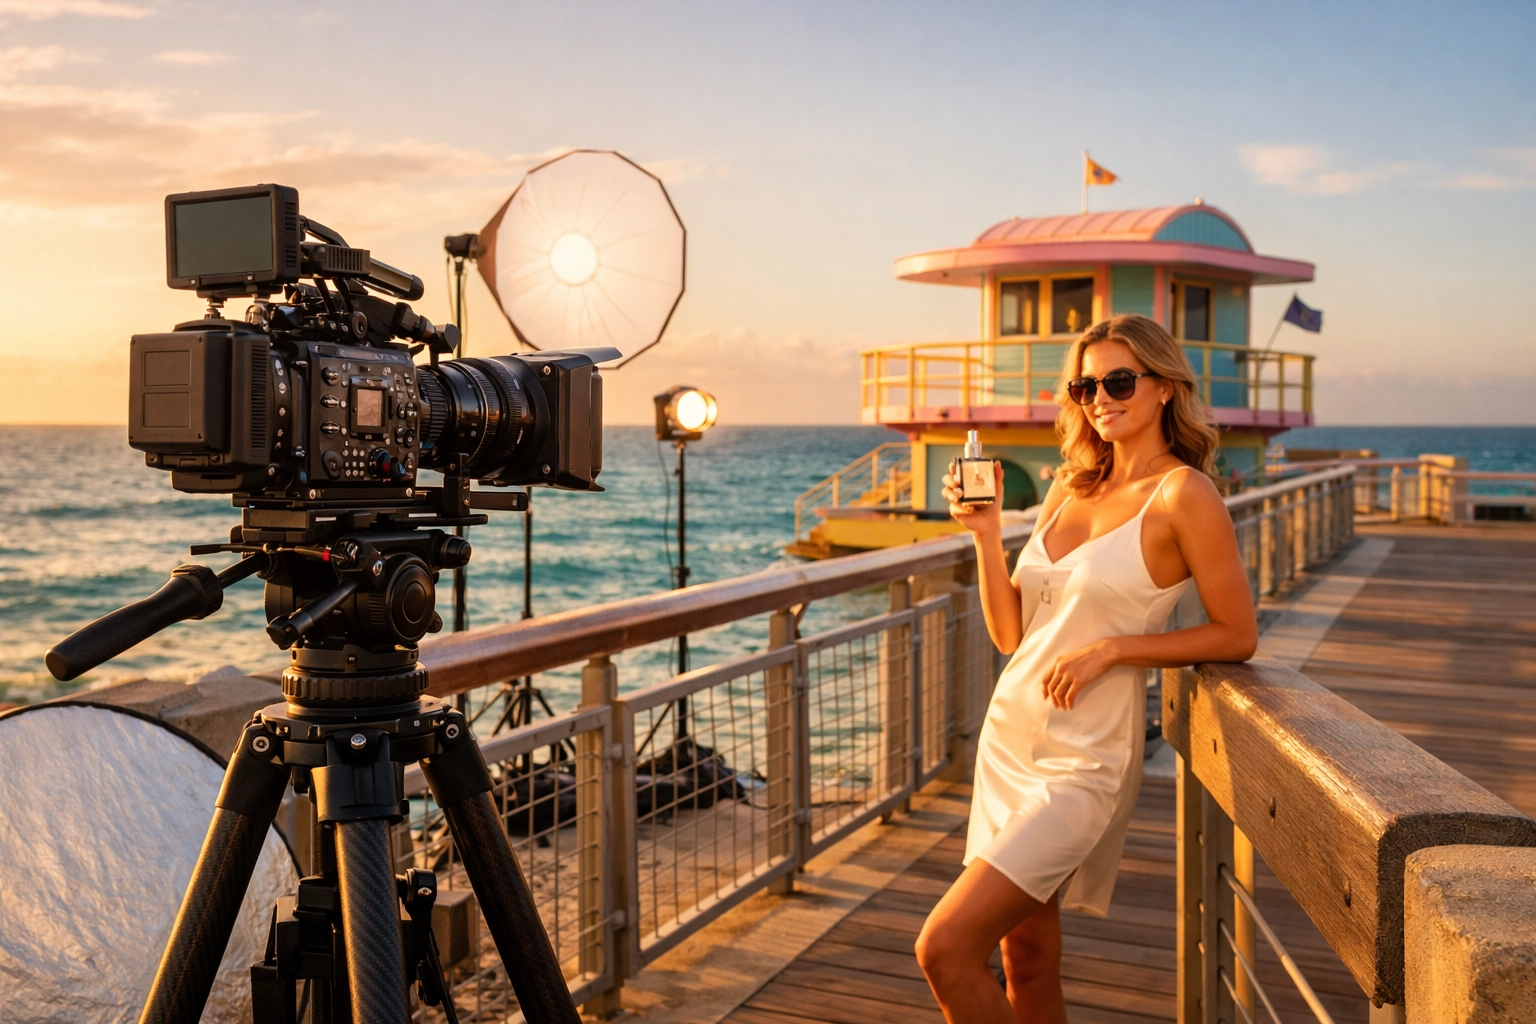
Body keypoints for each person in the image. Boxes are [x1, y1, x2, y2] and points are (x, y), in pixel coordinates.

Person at [914, 314, 1258, 1023]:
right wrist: (984, 534)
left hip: (1083, 761)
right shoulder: (1070, 487)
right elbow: (1012, 634)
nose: (1099, 397)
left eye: (1119, 380)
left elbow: (1237, 633)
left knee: (944, 948)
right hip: (1009, 743)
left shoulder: (1184, 496)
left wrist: (1117, 648)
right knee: (1027, 962)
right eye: (1085, 384)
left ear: (1164, 387)